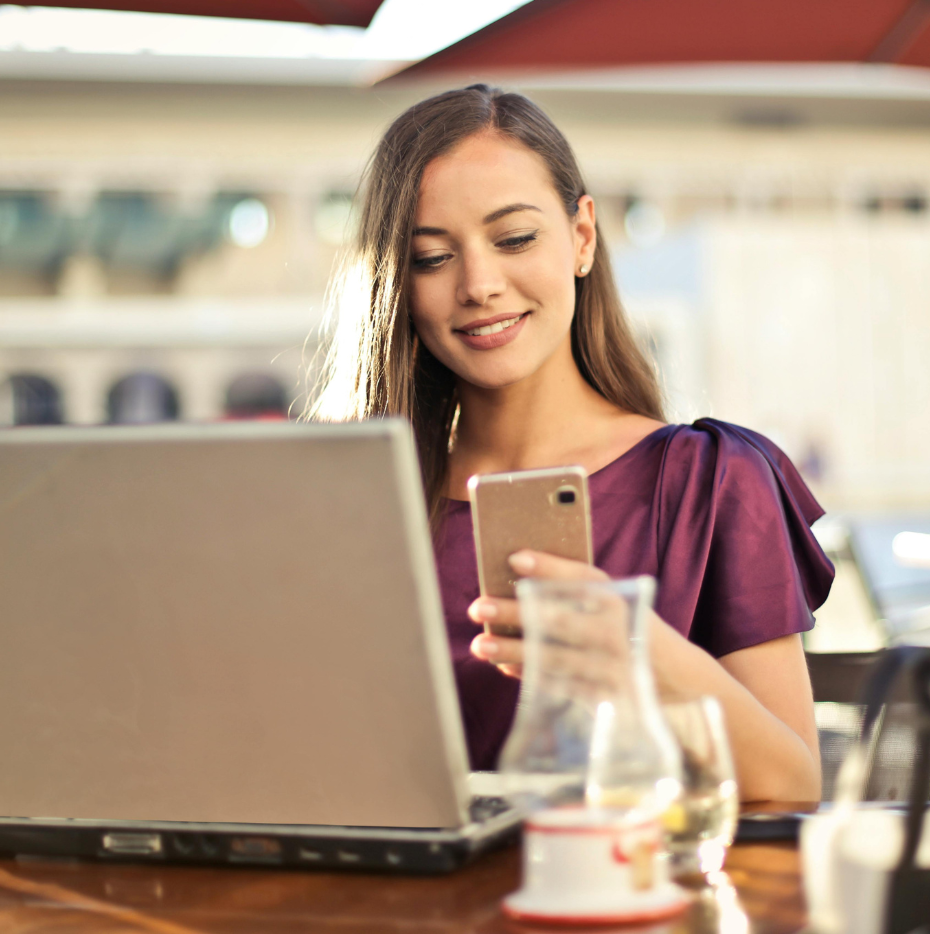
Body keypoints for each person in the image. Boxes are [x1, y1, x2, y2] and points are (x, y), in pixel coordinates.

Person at [312, 85, 834, 801]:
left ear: (582, 237)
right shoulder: (353, 501)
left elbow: (794, 783)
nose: (479, 285)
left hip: (626, 868)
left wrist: (636, 650)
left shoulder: (710, 480)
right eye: (431, 257)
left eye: (514, 239)